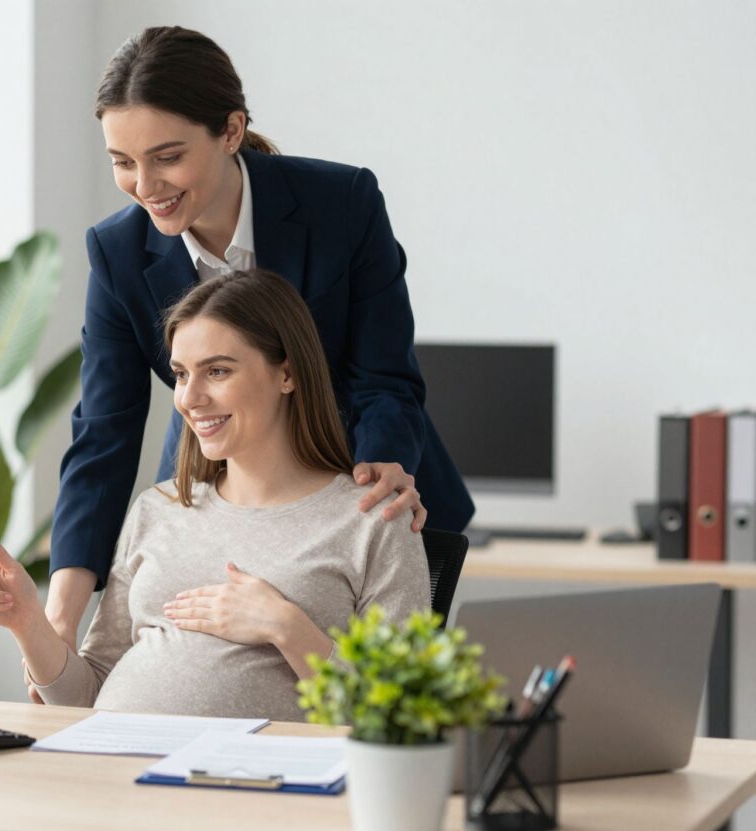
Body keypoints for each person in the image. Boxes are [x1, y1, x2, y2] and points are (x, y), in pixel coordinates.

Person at [0, 269, 430, 831]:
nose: (191, 397)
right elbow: (87, 698)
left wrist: (286, 628)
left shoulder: (373, 519)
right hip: (110, 794)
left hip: (255, 816)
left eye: (218, 371)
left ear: (288, 373)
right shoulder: (159, 509)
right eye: (180, 373)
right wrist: (30, 625)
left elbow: (402, 726)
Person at [41, 26, 472, 691]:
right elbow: (104, 431)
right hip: (216, 470)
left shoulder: (341, 204)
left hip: (357, 479)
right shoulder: (118, 251)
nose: (144, 184)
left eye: (167, 157)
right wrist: (60, 614)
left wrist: (384, 468)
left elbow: (384, 376)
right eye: (122, 161)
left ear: (232, 131)